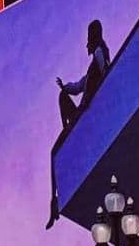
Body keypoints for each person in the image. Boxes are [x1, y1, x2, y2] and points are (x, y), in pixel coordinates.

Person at [46, 20, 111, 228]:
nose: (86, 45)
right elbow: (78, 86)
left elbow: (106, 73)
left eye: (88, 39)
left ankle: (69, 129)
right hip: (81, 114)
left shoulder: (100, 53)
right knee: (54, 151)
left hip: (86, 115)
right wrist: (64, 86)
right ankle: (53, 201)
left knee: (54, 151)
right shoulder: (93, 65)